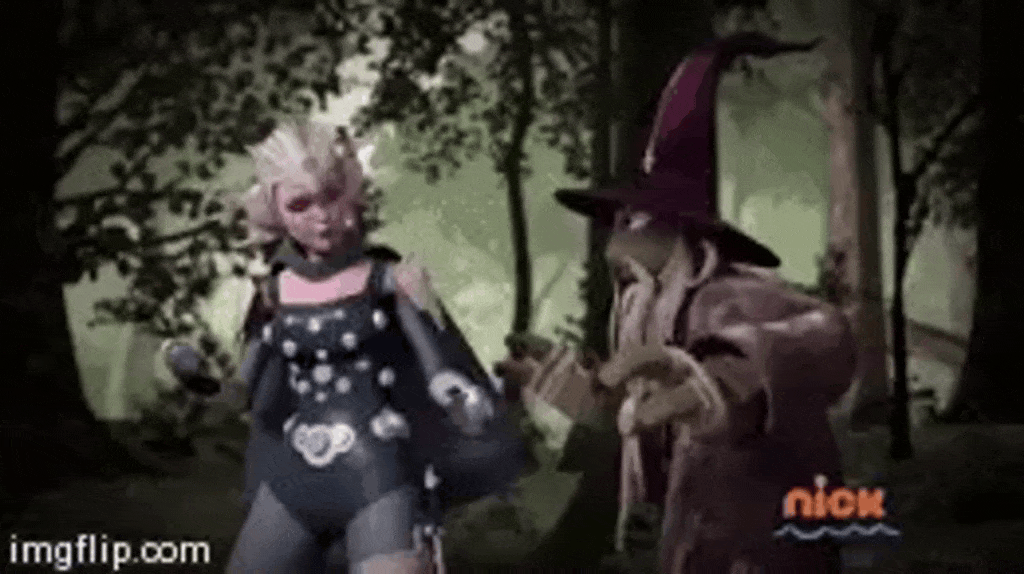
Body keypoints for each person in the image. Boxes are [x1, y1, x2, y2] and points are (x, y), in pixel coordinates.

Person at [498, 33, 853, 573]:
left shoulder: (732, 298)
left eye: (632, 223)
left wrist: (722, 382)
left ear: (682, 233)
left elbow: (829, 335)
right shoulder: (646, 312)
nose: (613, 246)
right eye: (614, 223)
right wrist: (573, 390)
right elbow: (645, 417)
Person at [166, 119, 523, 573]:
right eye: (300, 204)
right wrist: (201, 383)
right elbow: (242, 392)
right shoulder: (272, 294)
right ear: (275, 211)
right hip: (292, 480)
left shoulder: (390, 281)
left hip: (378, 476)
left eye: (330, 196)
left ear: (351, 192)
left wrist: (459, 396)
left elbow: (437, 372)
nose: (321, 216)